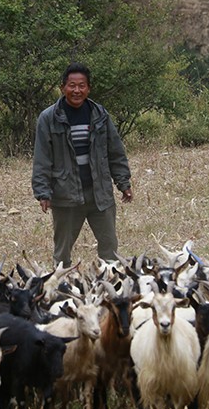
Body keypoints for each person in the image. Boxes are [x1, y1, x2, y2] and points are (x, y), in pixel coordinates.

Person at [32, 62, 133, 266]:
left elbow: (115, 151)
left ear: (89, 88)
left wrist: (124, 182)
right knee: (62, 254)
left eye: (81, 86)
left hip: (100, 193)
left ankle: (109, 291)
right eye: (72, 85)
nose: (76, 90)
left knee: (110, 250)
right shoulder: (49, 118)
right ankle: (60, 290)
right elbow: (42, 159)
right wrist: (43, 192)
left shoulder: (100, 115)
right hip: (66, 194)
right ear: (63, 88)